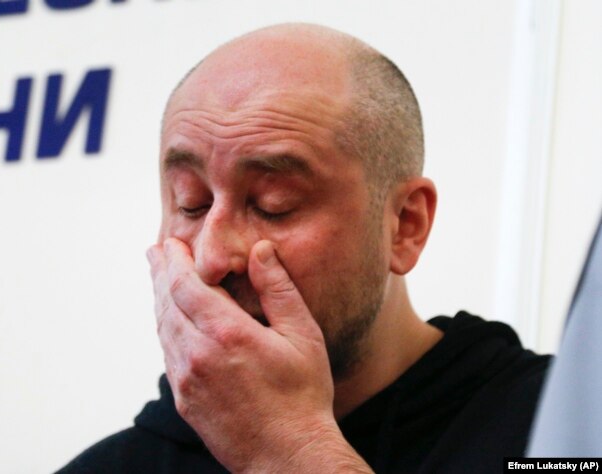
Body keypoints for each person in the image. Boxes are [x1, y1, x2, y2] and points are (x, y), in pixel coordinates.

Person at [57, 23, 551, 473]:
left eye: (274, 205)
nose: (211, 256)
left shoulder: (562, 430)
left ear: (404, 225)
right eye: (191, 204)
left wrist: (291, 451)